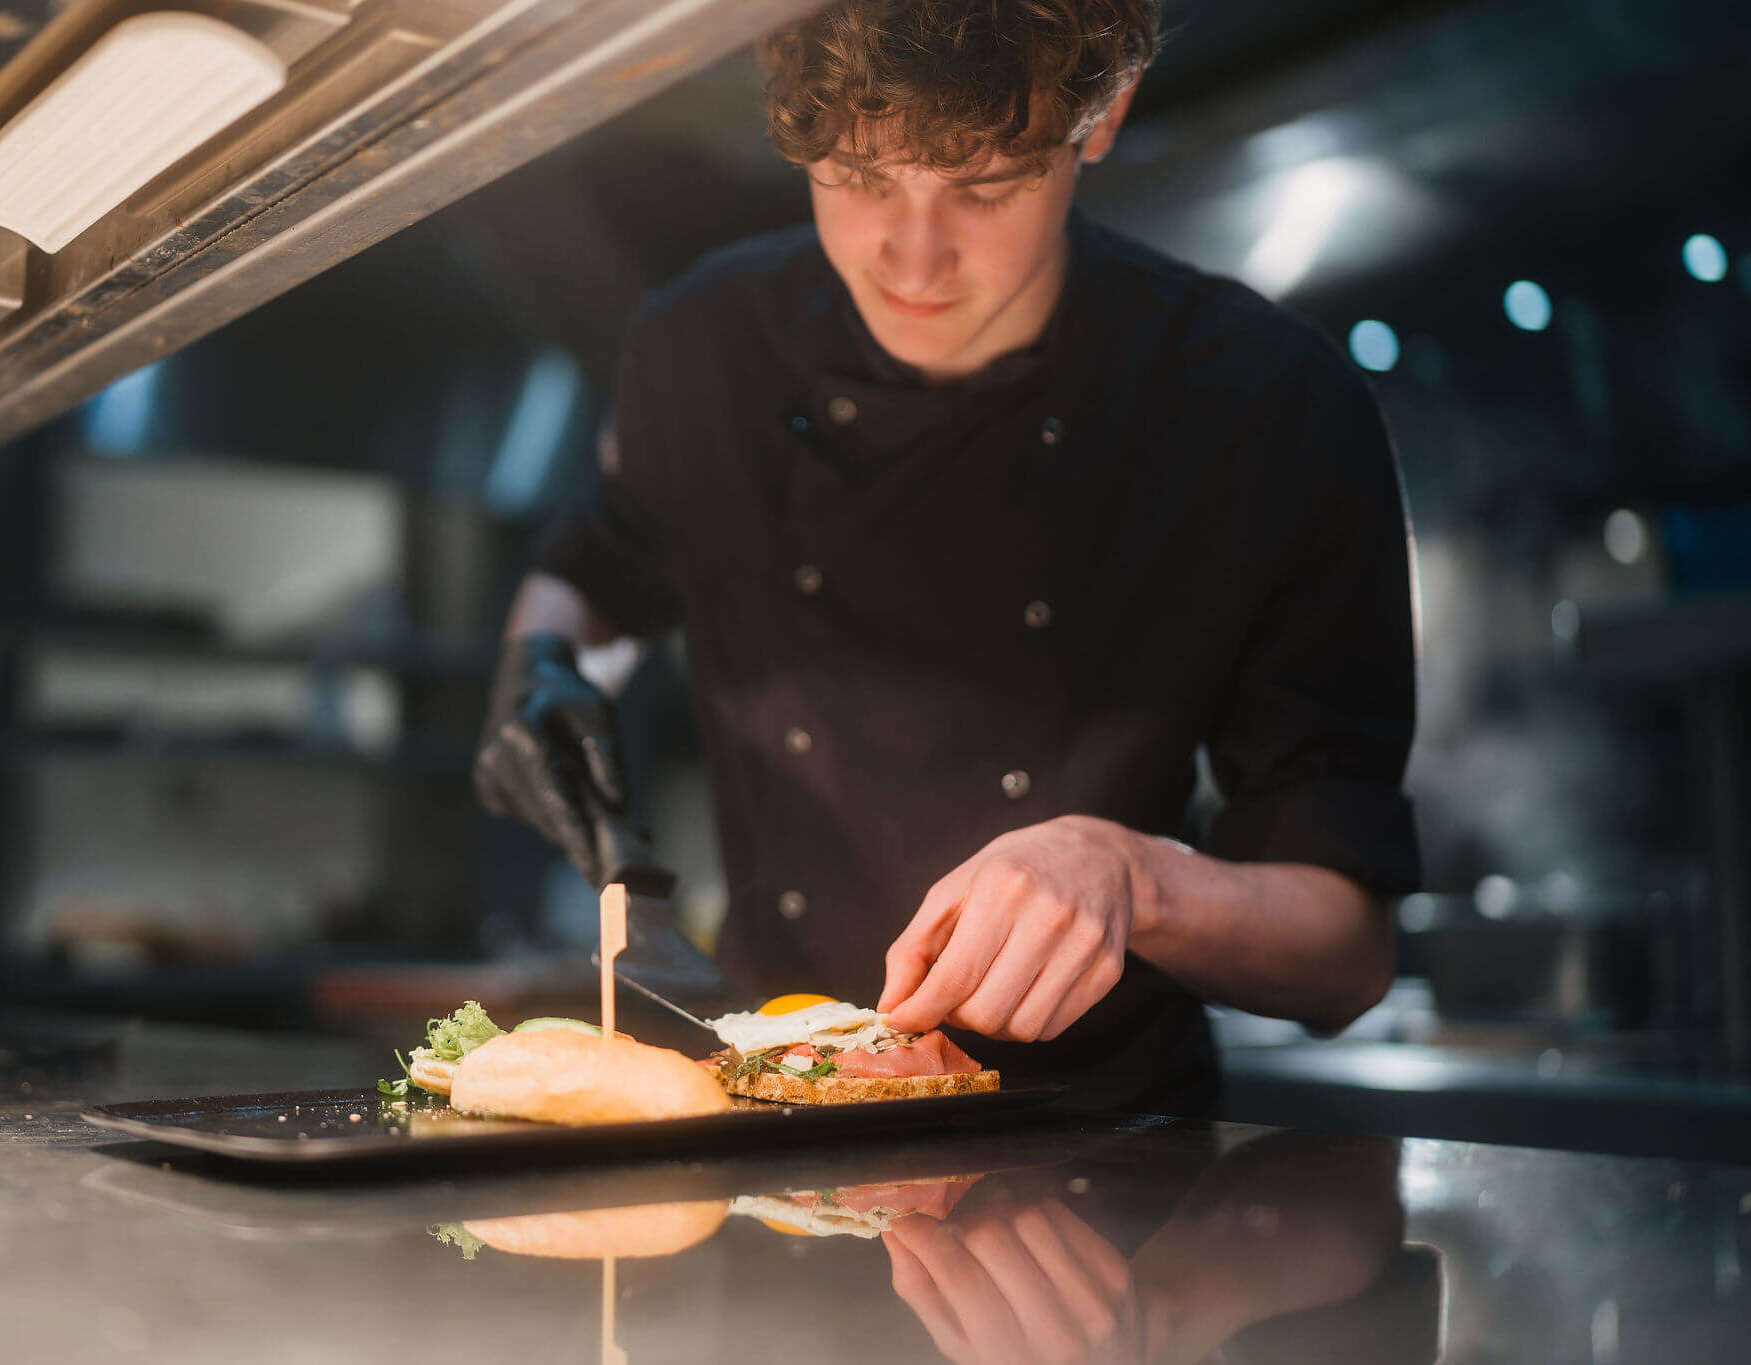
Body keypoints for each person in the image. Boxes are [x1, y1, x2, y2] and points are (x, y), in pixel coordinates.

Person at [473, 0, 1419, 1113]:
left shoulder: (1265, 407)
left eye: (984, 188)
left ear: (1101, 114)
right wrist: (537, 668)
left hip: (1100, 1178)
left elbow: (1344, 957)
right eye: (856, 178)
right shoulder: (704, 345)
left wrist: (1133, 876)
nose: (911, 257)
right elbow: (597, 571)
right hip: (760, 1133)